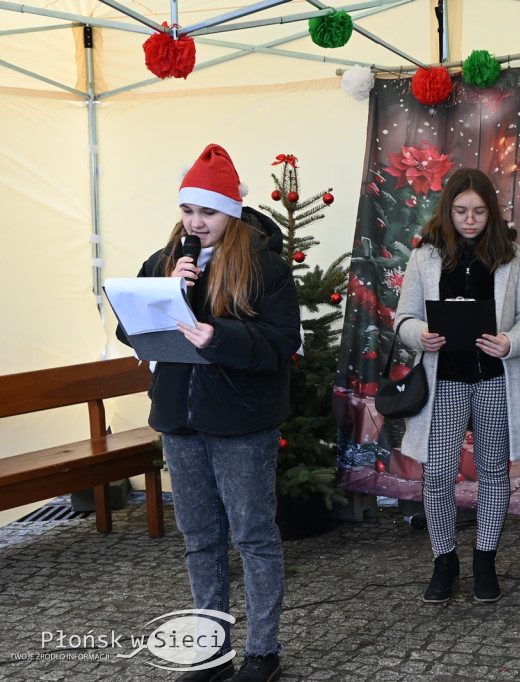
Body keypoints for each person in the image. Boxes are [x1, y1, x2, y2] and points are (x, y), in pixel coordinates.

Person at [117, 144, 300, 682]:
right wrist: (165, 291)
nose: (196, 224)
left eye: (208, 213)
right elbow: (132, 330)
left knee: (252, 535)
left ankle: (262, 651)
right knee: (199, 538)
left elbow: (281, 343)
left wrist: (219, 336)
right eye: (188, 212)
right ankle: (210, 650)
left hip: (242, 422)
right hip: (180, 417)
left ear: (232, 211)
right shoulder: (163, 258)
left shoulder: (265, 265)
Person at [395, 167, 520, 604]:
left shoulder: (514, 256)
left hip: (497, 378)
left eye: (479, 211)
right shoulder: (424, 256)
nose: (469, 219)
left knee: (494, 471)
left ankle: (485, 560)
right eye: (461, 210)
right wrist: (419, 334)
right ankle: (445, 562)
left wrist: (510, 342)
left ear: (492, 212)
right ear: (447, 210)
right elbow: (403, 317)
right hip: (444, 380)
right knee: (438, 472)